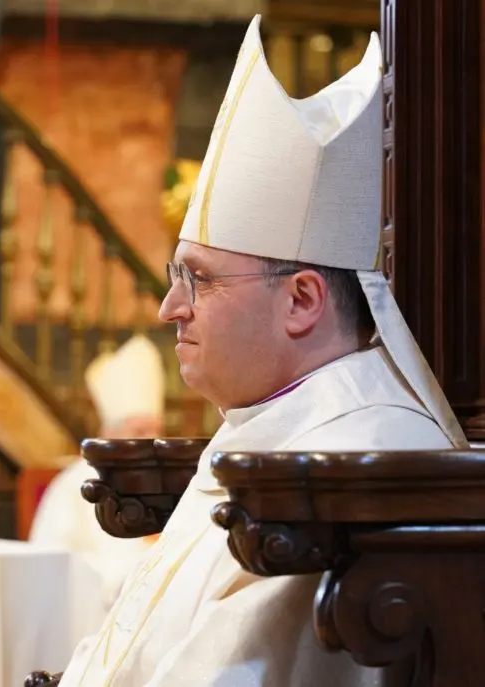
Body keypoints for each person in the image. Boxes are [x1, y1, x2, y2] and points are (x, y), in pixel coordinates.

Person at [56, 15, 468, 687]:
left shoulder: (347, 464)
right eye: (174, 277)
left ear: (302, 300)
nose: (171, 308)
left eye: (200, 278)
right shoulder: (273, 429)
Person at [29, 335, 165, 612]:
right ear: (108, 434)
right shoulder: (75, 485)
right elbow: (49, 567)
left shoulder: (170, 479)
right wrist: (125, 577)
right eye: (139, 432)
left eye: (156, 430)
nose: (151, 441)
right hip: (92, 614)